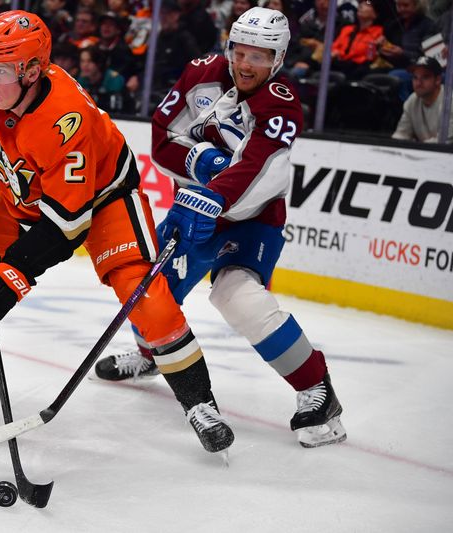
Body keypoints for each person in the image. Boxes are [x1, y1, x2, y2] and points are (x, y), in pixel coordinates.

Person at [0, 11, 234, 454]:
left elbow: (66, 225)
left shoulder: (65, 120)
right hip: (23, 194)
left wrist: (10, 279)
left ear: (32, 70)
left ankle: (200, 404)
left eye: (0, 71)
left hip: (101, 201)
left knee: (149, 302)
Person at [94, 6, 347, 449]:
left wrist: (213, 194)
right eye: (240, 52)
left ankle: (317, 392)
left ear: (279, 59)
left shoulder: (281, 103)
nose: (246, 64)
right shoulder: (200, 74)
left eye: (260, 57)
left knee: (239, 298)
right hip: (192, 209)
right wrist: (202, 162)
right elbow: (161, 137)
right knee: (151, 289)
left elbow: (261, 167)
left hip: (252, 221)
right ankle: (150, 356)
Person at [391, 55, 453, 144]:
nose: (418, 83)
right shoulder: (412, 101)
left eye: (425, 77)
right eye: (415, 77)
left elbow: (442, 143)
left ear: (438, 80)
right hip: (430, 154)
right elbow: (401, 135)